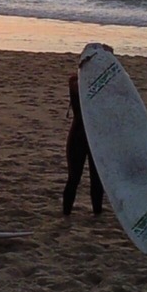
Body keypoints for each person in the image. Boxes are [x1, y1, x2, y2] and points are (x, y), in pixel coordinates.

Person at [62, 74, 104, 216]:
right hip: (79, 134)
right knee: (74, 177)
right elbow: (76, 86)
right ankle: (66, 212)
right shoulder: (76, 81)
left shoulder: (108, 83)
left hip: (97, 136)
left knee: (97, 178)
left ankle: (97, 212)